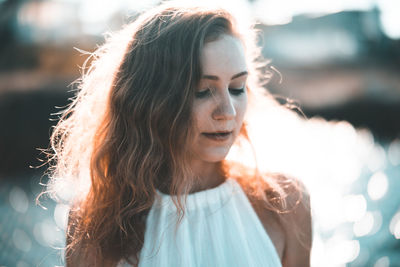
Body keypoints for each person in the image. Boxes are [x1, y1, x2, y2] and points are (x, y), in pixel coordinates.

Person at [44, 2, 312, 266]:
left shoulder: (285, 204)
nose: (227, 111)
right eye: (203, 91)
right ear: (151, 100)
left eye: (237, 87)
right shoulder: (95, 223)